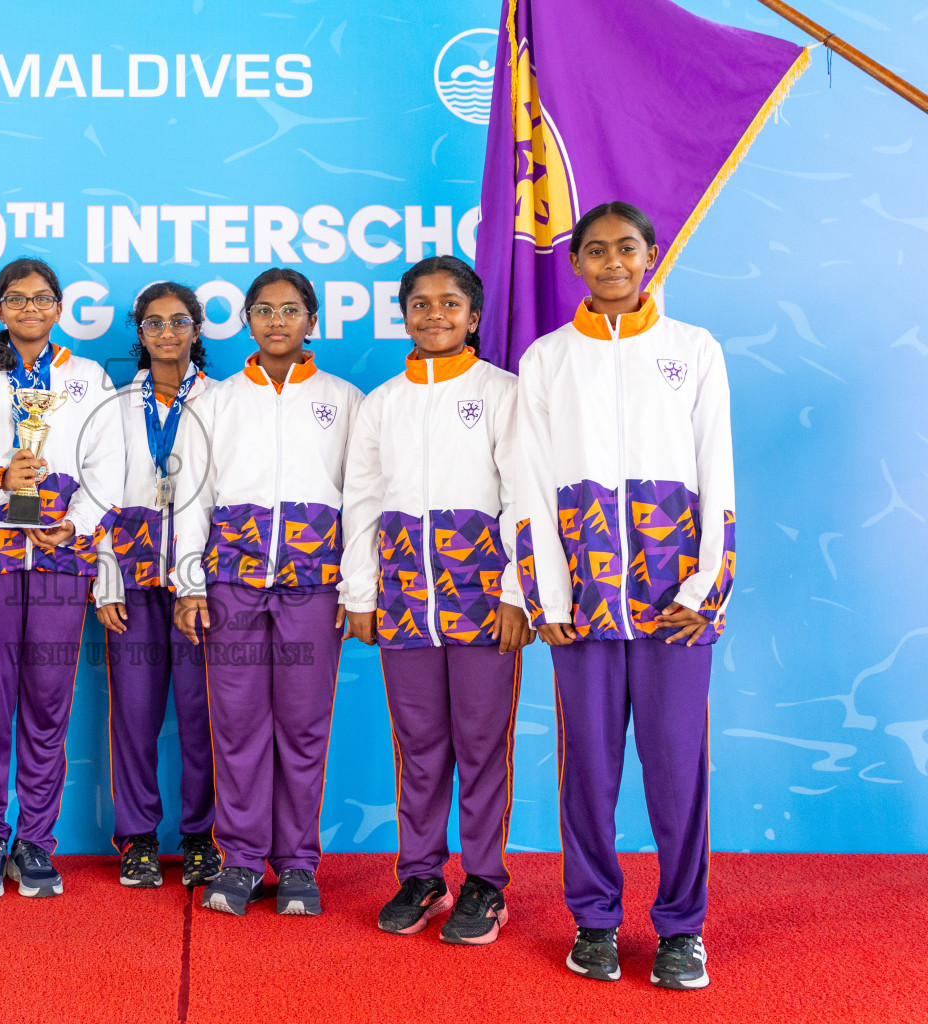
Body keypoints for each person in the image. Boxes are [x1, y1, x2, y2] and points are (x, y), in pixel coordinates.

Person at [514, 201, 734, 990]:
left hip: (674, 602)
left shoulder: (693, 350)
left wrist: (707, 586)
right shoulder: (546, 359)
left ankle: (682, 929)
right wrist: (550, 594)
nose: (612, 262)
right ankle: (596, 921)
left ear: (650, 256)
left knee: (678, 770)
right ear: (575, 263)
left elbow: (718, 472)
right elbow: (532, 486)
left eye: (627, 249)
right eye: (596, 250)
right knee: (589, 772)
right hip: (583, 608)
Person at [341, 256, 532, 945]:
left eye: (450, 303)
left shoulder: (504, 393)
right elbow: (361, 499)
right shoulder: (382, 402)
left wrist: (518, 592)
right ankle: (422, 874)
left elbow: (523, 496)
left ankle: (484, 881)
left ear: (473, 316)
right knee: (419, 744)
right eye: (420, 304)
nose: (434, 315)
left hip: (483, 601)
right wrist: (360, 590)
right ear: (404, 314)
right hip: (403, 601)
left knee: (482, 743)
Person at [0, 257, 124, 899]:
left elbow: (108, 466)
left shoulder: (86, 377)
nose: (30, 309)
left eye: (43, 299)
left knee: (47, 701)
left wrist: (77, 526)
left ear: (58, 308)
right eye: (17, 299)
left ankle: (35, 841)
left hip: (59, 556)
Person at [172, 267, 363, 917]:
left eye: (290, 310)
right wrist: (190, 583)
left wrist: (354, 583)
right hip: (232, 585)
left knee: (304, 725)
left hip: (314, 584)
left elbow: (361, 499)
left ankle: (300, 864)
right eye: (263, 310)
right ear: (247, 321)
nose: (277, 321)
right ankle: (244, 859)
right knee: (238, 724)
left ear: (312, 321)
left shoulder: (344, 400)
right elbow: (193, 494)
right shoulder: (217, 400)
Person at [94, 282, 219, 889]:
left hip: (203, 580)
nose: (166, 333)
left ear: (197, 328)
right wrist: (107, 580)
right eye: (153, 324)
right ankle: (138, 837)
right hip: (134, 578)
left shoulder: (224, 401)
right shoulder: (117, 404)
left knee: (203, 714)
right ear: (139, 334)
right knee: (135, 713)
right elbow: (101, 495)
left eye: (178, 322)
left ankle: (202, 837)